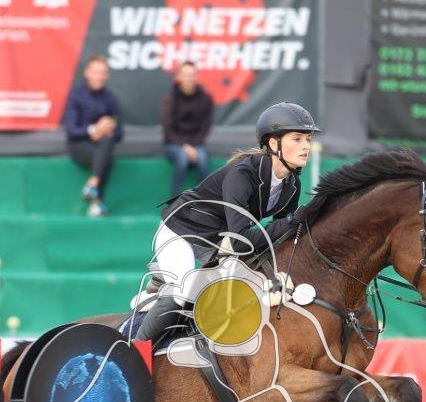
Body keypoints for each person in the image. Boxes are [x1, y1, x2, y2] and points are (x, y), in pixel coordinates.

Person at [136, 102, 319, 342]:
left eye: (307, 139)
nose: (306, 146)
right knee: (183, 292)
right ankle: (135, 349)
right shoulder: (242, 174)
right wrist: (293, 221)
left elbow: (282, 237)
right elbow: (242, 241)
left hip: (218, 240)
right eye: (297, 139)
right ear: (274, 144)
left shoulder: (292, 185)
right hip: (181, 231)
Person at [63, 55, 122, 218]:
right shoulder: (76, 95)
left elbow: (119, 134)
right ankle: (97, 200)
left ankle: (93, 185)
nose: (99, 77)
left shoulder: (111, 99)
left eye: (102, 73)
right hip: (79, 147)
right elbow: (71, 130)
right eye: (96, 72)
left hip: (102, 146)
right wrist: (95, 130)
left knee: (107, 144)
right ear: (87, 73)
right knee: (106, 153)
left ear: (107, 75)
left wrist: (108, 128)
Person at [161, 62, 214, 197]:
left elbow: (205, 127)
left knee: (203, 159)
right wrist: (184, 146)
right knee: (182, 159)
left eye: (192, 75)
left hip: (196, 144)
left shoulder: (205, 99)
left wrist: (193, 145)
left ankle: (204, 201)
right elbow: (168, 129)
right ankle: (174, 201)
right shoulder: (170, 99)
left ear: (196, 76)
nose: (189, 79)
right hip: (174, 143)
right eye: (185, 75)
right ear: (178, 77)